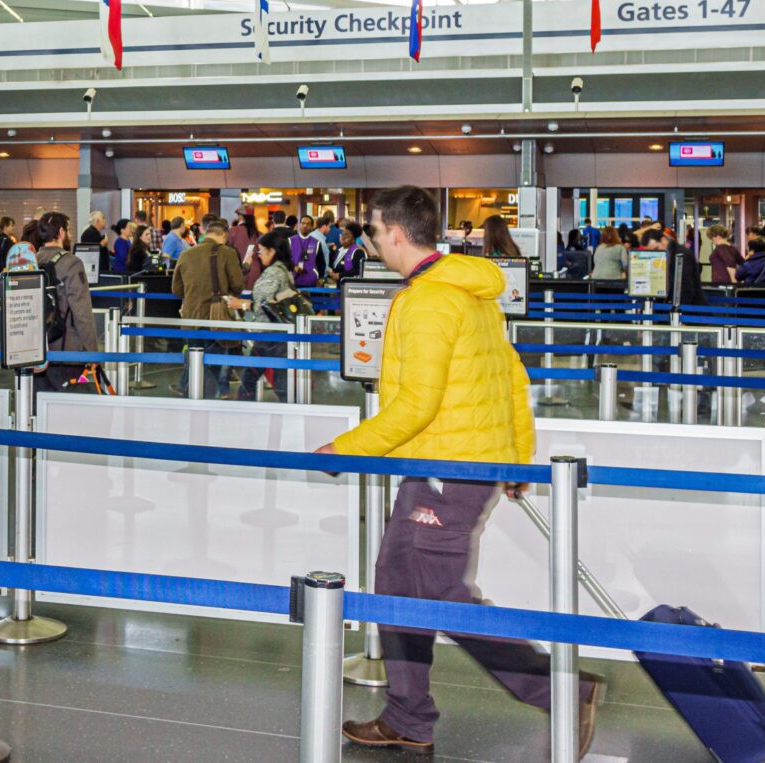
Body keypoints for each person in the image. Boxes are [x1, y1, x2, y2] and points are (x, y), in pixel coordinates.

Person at [316, 186, 601, 755]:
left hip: (448, 466)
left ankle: (560, 688)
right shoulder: (468, 292)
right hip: (450, 462)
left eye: (372, 231)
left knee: (441, 593)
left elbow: (416, 405)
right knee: (397, 582)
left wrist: (345, 449)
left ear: (396, 233)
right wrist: (515, 455)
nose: (369, 240)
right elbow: (510, 380)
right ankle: (407, 716)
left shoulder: (427, 300)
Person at [171, 217, 244, 398]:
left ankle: (192, 393)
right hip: (216, 317)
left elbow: (176, 289)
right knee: (214, 361)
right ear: (223, 236)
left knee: (194, 357)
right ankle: (213, 396)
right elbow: (238, 285)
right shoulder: (227, 253)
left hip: (190, 316)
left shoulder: (186, 254)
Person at [227, 231, 294, 402]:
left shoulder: (273, 272)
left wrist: (241, 304)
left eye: (261, 250)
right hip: (276, 333)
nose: (259, 255)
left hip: (269, 334)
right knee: (272, 378)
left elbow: (264, 304)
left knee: (257, 378)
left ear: (272, 251)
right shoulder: (283, 270)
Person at [36, 212, 96, 391]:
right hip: (66, 352)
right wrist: (93, 353)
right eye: (68, 230)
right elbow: (82, 311)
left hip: (37, 350)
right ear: (61, 232)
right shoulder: (71, 263)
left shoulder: (32, 261)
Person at [641, 225, 704, 306]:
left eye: (656, 249)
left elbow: (686, 287)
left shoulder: (681, 255)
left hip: (687, 310)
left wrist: (677, 310)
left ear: (663, 240)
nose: (656, 254)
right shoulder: (668, 255)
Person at [291, 214, 326, 288]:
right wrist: (293, 267)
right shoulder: (290, 241)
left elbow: (321, 263)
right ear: (299, 225)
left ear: (312, 227)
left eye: (308, 224)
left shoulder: (316, 243)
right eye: (303, 223)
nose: (305, 226)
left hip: (311, 280)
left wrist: (321, 277)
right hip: (293, 280)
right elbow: (284, 260)